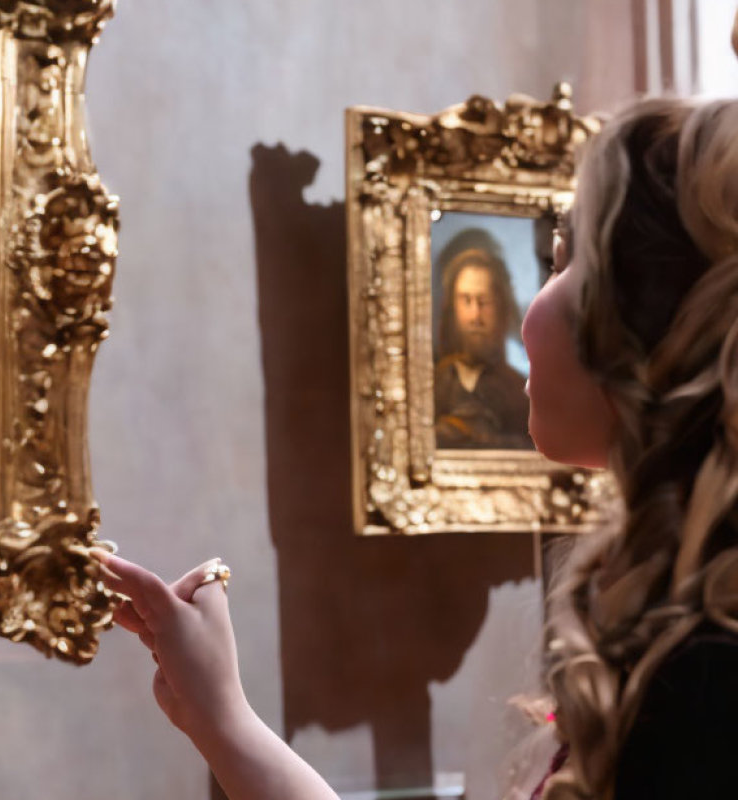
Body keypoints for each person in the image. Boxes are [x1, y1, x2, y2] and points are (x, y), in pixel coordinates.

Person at [95, 93, 738, 800]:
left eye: (559, 261)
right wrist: (219, 716)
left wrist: (223, 720)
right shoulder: (679, 642)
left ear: (641, 317)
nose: (521, 314)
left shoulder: (703, 685)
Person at [434, 231, 532, 448]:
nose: (475, 316)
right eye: (465, 300)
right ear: (452, 307)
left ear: (500, 307)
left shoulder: (520, 392)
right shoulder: (430, 385)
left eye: (484, 301)